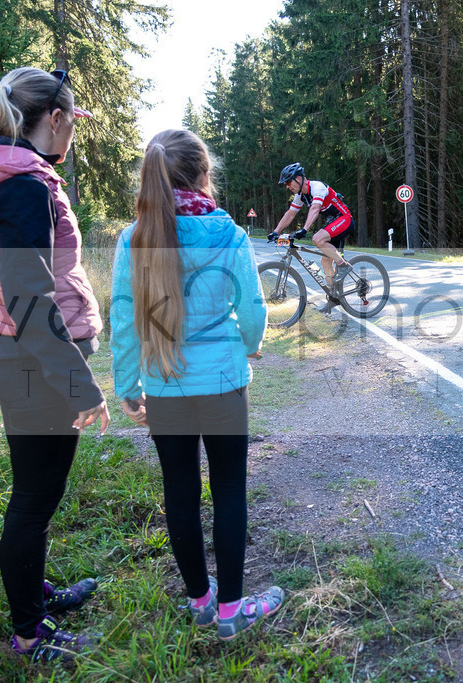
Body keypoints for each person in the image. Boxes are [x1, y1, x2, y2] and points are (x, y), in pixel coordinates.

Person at [0, 67, 108, 662]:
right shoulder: (22, 185)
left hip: (13, 353)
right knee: (35, 500)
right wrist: (80, 383)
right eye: (73, 126)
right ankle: (29, 635)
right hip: (34, 363)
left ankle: (32, 598)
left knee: (32, 494)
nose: (73, 139)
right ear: (57, 119)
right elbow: (28, 295)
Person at [110, 129, 282, 641]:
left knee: (179, 491)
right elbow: (251, 306)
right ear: (204, 176)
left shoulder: (134, 236)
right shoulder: (227, 232)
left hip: (163, 385)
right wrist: (252, 343)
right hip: (225, 383)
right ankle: (231, 610)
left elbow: (123, 317)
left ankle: (200, 601)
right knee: (230, 490)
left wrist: (127, 382)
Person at [269, 163, 355, 314]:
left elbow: (315, 208)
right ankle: (334, 299)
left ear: (299, 179)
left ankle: (343, 265)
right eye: (286, 184)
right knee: (325, 262)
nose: (288, 186)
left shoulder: (317, 187)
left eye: (289, 182)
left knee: (317, 239)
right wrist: (275, 231)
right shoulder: (300, 196)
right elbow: (290, 214)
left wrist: (304, 229)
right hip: (332, 222)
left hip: (344, 219)